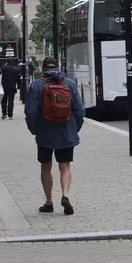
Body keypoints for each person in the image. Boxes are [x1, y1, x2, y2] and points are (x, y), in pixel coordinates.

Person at [26, 55, 84, 215]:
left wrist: (35, 130)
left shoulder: (36, 86)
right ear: (57, 68)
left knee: (46, 166)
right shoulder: (69, 84)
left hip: (45, 133)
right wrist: (75, 128)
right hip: (66, 133)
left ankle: (49, 202)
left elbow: (30, 112)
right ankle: (65, 195)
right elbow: (80, 111)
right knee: (65, 166)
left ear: (43, 69)